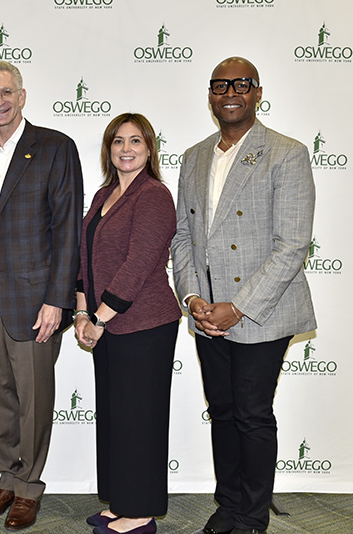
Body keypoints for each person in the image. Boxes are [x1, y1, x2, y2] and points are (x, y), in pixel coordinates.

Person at [171, 57, 316, 534]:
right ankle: (228, 503)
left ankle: (253, 515)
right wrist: (194, 301)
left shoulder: (286, 152)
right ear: (210, 95)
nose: (228, 92)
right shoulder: (193, 157)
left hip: (260, 314)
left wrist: (239, 307)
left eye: (240, 84)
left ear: (257, 92)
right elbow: (183, 240)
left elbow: (292, 245)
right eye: (219, 85)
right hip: (207, 312)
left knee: (253, 414)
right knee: (223, 411)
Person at [0, 60, 83, 531]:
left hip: (37, 300)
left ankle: (29, 487)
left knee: (33, 397)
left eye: (6, 92)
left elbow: (67, 226)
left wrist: (58, 299)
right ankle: (7, 478)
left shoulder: (54, 147)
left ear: (22, 95)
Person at [75, 113, 181, 534]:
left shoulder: (154, 195)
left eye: (136, 141)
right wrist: (82, 311)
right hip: (106, 324)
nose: (126, 148)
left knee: (141, 418)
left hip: (144, 326)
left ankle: (141, 513)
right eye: (118, 141)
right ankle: (121, 502)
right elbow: (85, 257)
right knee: (118, 417)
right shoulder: (103, 194)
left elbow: (138, 264)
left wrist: (99, 316)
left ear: (150, 149)